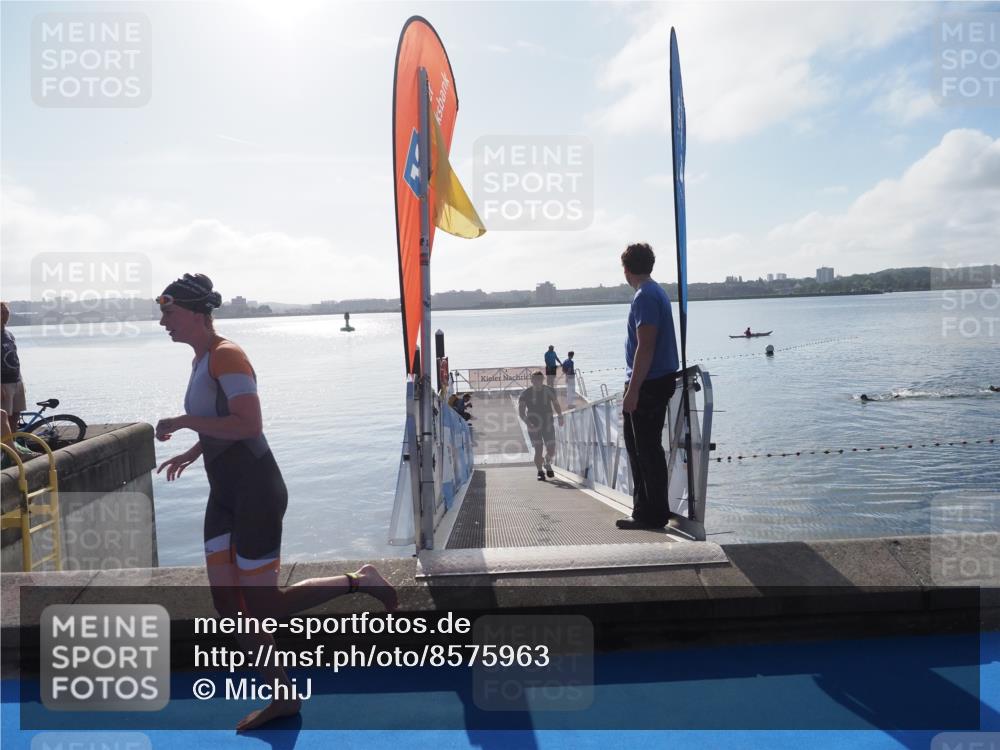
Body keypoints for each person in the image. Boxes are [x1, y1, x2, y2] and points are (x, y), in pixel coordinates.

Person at [154, 273, 397, 731]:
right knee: (228, 607)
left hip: (257, 492)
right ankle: (282, 697)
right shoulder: (201, 358)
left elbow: (249, 425)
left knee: (265, 606)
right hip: (224, 493)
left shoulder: (227, 356)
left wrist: (185, 421)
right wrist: (194, 448)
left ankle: (358, 579)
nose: (163, 321)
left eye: (168, 312)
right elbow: (221, 420)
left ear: (195, 313)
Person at [617, 243, 680, 530]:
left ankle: (649, 514)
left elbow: (646, 346)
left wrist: (633, 391)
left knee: (643, 450)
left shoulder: (644, 296)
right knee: (648, 449)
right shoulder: (657, 292)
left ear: (627, 270)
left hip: (649, 383)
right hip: (658, 380)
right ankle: (653, 510)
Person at [518, 371, 564, 481]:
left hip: (548, 423)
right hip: (534, 425)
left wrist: (560, 415)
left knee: (551, 449)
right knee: (538, 450)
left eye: (540, 379)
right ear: (531, 380)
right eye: (535, 379)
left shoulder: (549, 390)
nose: (538, 381)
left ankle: (547, 462)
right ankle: (540, 472)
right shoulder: (525, 393)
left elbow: (556, 403)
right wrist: (529, 424)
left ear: (542, 379)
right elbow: (521, 412)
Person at [1, 302, 27, 427]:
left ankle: (12, 441)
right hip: (4, 383)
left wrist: (21, 381)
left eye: (6, 312)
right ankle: (4, 445)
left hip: (16, 381)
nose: (5, 315)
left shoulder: (9, 334)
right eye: (2, 312)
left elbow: (14, 358)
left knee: (16, 415)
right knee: (4, 417)